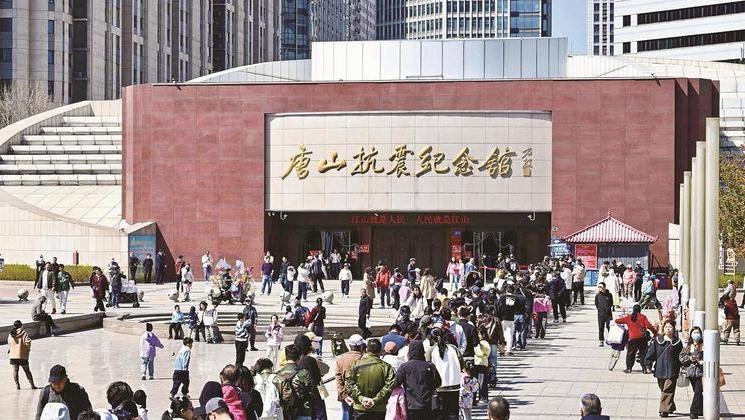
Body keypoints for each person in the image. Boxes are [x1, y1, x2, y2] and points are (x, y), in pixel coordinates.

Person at [344, 338, 396, 420]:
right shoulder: (387, 367)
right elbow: (390, 386)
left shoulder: (356, 365)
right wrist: (375, 400)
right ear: (380, 351)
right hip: (379, 409)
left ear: (366, 350)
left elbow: (349, 383)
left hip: (360, 407)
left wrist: (361, 398)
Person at [394, 339, 441, 419]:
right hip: (428, 404)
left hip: (410, 404)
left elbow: (396, 383)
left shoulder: (404, 367)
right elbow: (438, 382)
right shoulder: (429, 366)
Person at [645, 319, 683, 417]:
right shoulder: (658, 340)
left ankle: (664, 410)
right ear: (663, 328)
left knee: (668, 389)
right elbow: (651, 353)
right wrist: (648, 365)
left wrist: (684, 365)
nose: (668, 329)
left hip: (672, 370)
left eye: (670, 327)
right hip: (660, 369)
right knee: (663, 389)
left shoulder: (677, 342)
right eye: (666, 327)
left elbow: (681, 356)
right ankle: (670, 406)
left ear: (674, 329)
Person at [429, 326, 462, 420]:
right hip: (454, 385)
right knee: (453, 412)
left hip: (438, 387)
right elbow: (461, 364)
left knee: (440, 413)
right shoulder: (454, 348)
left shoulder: (431, 351)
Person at [616, 304, 657, 373]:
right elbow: (649, 326)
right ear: (640, 310)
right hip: (642, 338)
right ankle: (644, 369)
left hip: (632, 338)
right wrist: (655, 332)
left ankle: (629, 368)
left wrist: (623, 317)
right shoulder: (643, 317)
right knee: (643, 353)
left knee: (630, 353)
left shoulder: (629, 317)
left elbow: (617, 321)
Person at [336, 335, 366, 420]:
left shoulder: (341, 359)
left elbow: (338, 379)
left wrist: (343, 395)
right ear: (361, 346)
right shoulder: (364, 359)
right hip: (361, 394)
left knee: (346, 415)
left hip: (346, 394)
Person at [680, 326, 704, 419]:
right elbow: (681, 357)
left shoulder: (704, 345)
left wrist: (702, 361)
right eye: (694, 333)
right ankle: (701, 409)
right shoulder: (688, 346)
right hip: (691, 372)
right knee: (697, 391)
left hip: (700, 372)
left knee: (698, 391)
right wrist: (689, 358)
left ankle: (694, 411)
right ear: (691, 335)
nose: (696, 334)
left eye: (698, 332)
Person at [8, 320, 37, 390]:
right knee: (27, 371)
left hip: (13, 356)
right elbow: (28, 342)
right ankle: (32, 385)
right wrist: (27, 349)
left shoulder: (11, 333)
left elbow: (9, 342)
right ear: (21, 325)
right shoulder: (24, 333)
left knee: (15, 371)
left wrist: (11, 348)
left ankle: (17, 385)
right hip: (22, 356)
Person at [595, 282, 613, 346]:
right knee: (601, 328)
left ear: (604, 287)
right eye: (599, 287)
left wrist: (607, 309)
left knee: (609, 327)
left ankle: (611, 339)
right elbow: (596, 304)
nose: (599, 288)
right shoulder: (597, 295)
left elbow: (611, 303)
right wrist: (600, 310)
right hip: (601, 315)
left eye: (601, 287)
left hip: (608, 314)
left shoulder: (609, 295)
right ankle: (601, 340)